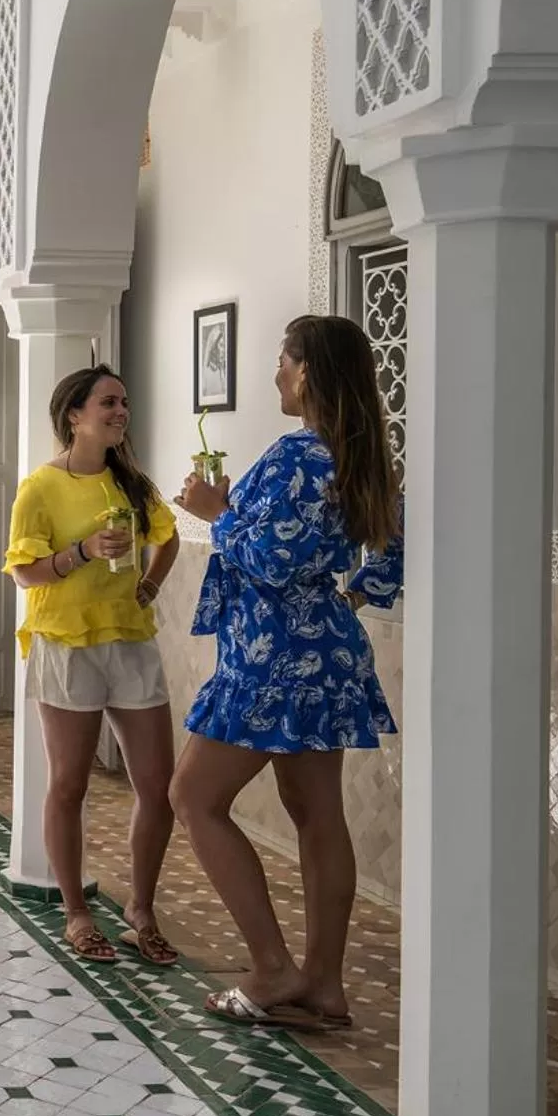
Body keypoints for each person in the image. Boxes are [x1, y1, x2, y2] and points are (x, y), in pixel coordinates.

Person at [170, 315, 403, 1031]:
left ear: (306, 372)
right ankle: (324, 986)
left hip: (271, 663)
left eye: (282, 358)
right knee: (317, 815)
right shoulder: (363, 455)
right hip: (328, 654)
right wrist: (341, 600)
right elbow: (388, 561)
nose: (275, 371)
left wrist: (216, 511)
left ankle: (273, 966)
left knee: (193, 796)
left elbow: (269, 559)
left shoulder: (301, 455)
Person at [3, 365, 182, 966]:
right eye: (108, 402)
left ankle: (142, 911)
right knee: (69, 783)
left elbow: (169, 537)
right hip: (66, 643)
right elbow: (25, 572)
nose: (121, 410)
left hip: (130, 641)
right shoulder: (40, 488)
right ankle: (77, 913)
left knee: (160, 787)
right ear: (74, 415)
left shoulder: (132, 484)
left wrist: (151, 585)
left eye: (124, 401)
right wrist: (80, 553)